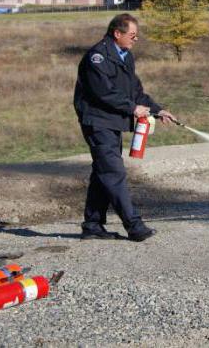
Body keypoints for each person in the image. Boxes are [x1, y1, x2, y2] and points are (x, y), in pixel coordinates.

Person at [73, 13, 176, 241]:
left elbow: (135, 92)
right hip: (97, 122)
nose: (135, 39)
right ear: (117, 33)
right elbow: (104, 93)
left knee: (103, 172)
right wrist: (132, 109)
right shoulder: (97, 57)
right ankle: (134, 226)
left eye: (136, 35)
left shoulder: (125, 56)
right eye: (132, 35)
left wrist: (158, 110)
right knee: (113, 172)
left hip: (112, 123)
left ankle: (92, 225)